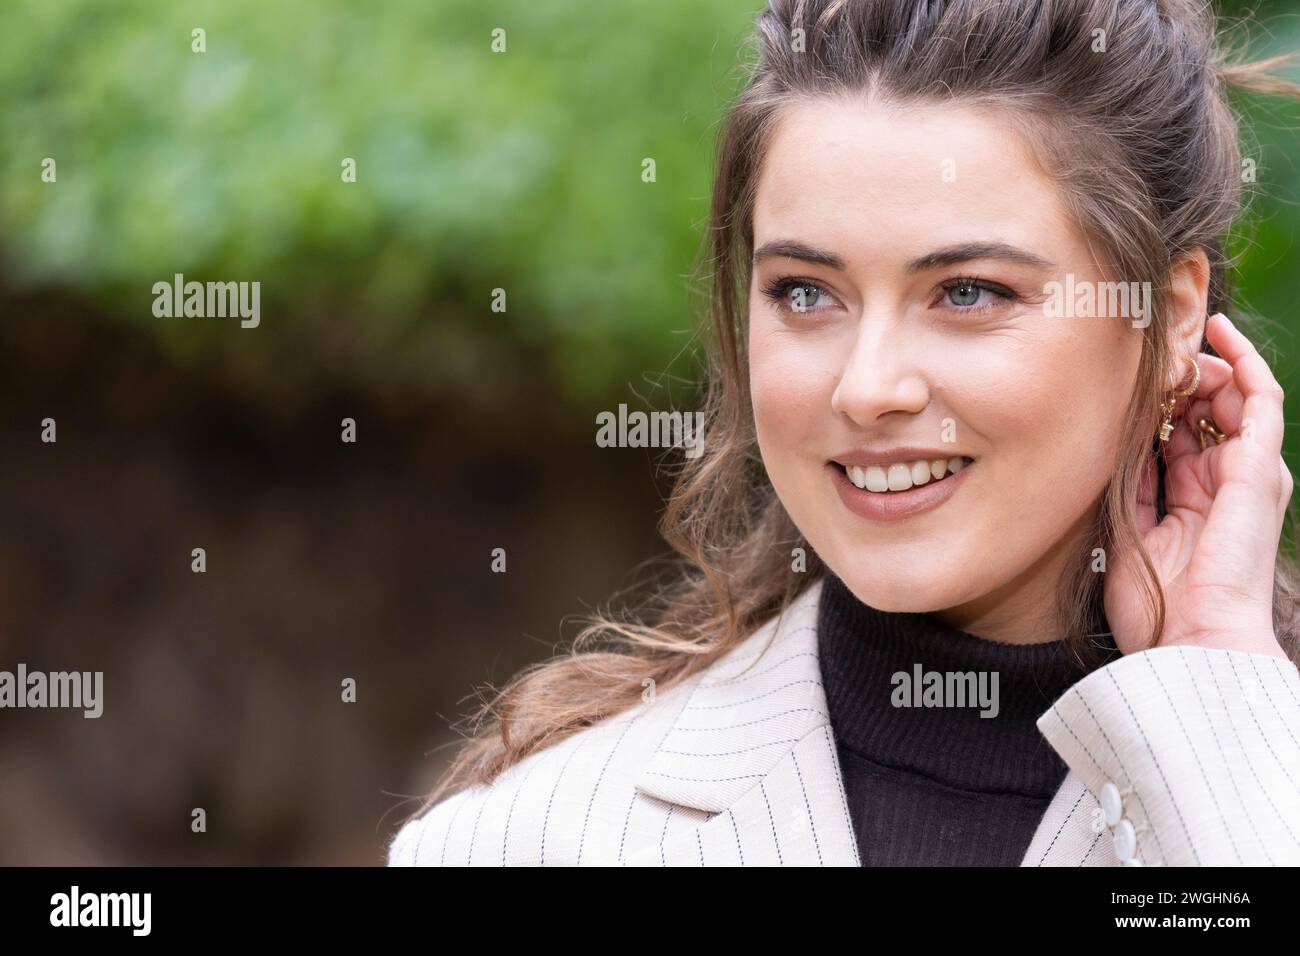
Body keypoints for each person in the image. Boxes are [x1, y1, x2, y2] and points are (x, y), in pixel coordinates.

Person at [389, 0, 1300, 866]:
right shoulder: (523, 841)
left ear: (1167, 315)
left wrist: (1215, 697)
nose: (867, 389)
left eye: (967, 293)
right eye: (806, 293)